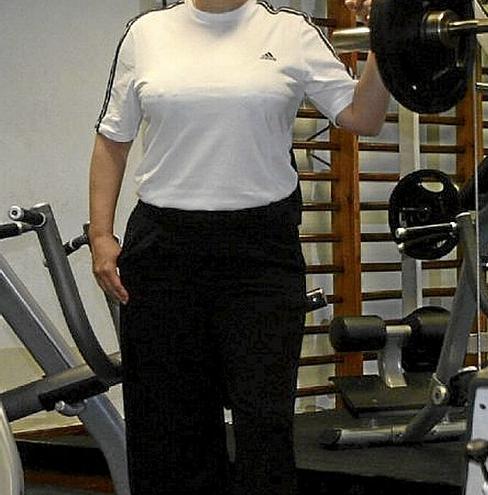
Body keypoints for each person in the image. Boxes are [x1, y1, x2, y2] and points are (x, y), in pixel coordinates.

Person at [88, 0, 388, 493]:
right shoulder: (146, 33)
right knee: (168, 423)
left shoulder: (289, 31)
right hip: (164, 251)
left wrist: (385, 42)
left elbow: (363, 116)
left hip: (260, 254)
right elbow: (112, 140)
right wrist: (101, 234)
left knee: (263, 420)